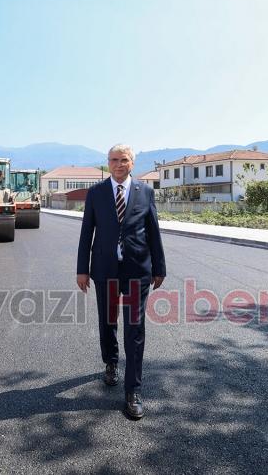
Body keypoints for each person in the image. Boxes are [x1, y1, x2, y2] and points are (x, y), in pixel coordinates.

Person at [76, 144, 166, 420]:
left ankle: (133, 391)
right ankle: (111, 362)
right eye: (113, 160)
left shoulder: (145, 192)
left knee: (135, 328)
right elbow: (87, 233)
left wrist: (159, 267)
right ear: (108, 163)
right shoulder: (96, 193)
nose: (118, 164)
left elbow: (153, 231)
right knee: (108, 321)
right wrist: (82, 270)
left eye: (123, 160)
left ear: (132, 163)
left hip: (137, 270)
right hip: (105, 270)